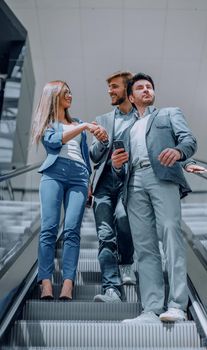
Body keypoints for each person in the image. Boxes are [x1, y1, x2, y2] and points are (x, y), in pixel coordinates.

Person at [112, 73, 197, 322]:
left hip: (162, 177)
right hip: (134, 182)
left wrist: (179, 151)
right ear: (131, 96)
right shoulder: (126, 127)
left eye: (150, 87)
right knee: (144, 247)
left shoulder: (169, 113)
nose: (147, 90)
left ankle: (177, 306)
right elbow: (119, 169)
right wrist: (118, 166)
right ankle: (151, 309)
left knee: (171, 233)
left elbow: (189, 140)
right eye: (140, 88)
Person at [32, 80, 107, 300]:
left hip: (79, 177)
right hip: (53, 173)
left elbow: (88, 155)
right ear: (53, 96)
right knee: (49, 228)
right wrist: (83, 127)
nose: (70, 96)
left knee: (72, 231)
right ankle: (45, 282)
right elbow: (54, 143)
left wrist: (101, 140)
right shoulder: (47, 123)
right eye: (66, 93)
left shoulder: (78, 123)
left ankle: (67, 284)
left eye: (71, 92)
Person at [90, 71, 137, 303]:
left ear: (128, 90)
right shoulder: (103, 119)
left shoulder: (142, 119)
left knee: (123, 218)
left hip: (129, 181)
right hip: (104, 183)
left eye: (115, 86)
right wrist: (102, 142)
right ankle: (111, 289)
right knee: (105, 236)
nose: (110, 91)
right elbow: (93, 156)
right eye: (109, 87)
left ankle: (127, 261)